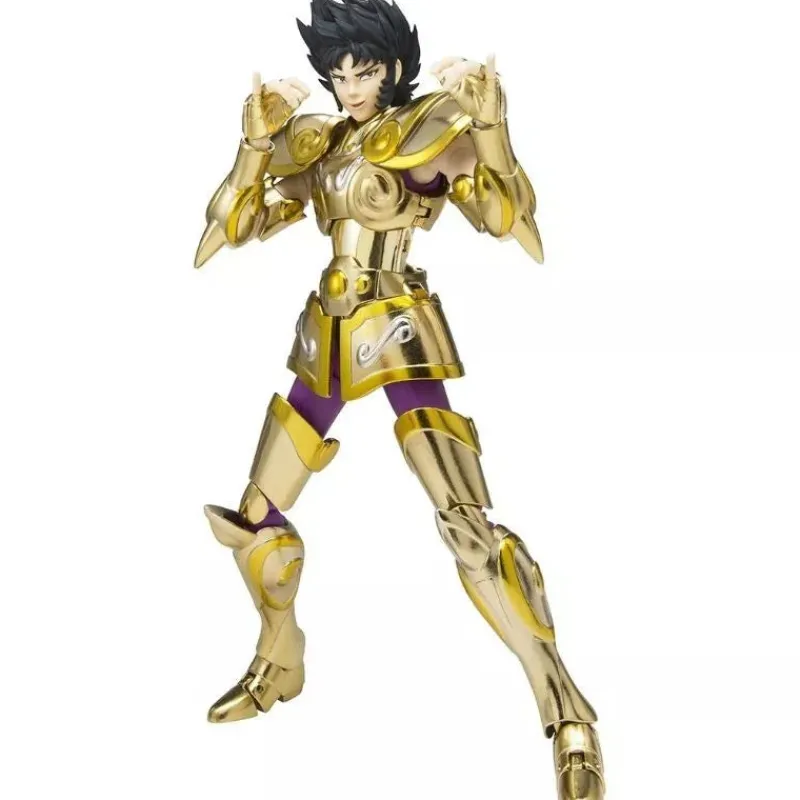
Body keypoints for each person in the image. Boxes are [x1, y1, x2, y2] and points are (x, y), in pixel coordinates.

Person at [195, 2, 604, 797]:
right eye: (339, 73)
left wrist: (493, 126)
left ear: (391, 68)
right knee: (253, 521)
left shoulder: (423, 133)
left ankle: (568, 714)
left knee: (470, 527)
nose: (350, 86)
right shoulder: (320, 142)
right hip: (326, 336)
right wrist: (253, 144)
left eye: (365, 70)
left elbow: (506, 215)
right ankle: (281, 659)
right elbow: (235, 227)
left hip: (399, 329)